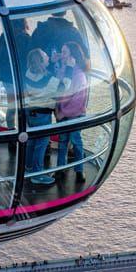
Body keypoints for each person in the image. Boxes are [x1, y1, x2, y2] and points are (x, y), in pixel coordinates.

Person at [53, 41, 89, 180]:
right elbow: (58, 91)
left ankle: (79, 170)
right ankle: (60, 168)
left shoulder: (79, 75)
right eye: (62, 52)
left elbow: (78, 101)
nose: (61, 55)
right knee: (63, 141)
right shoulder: (63, 70)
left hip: (74, 114)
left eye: (64, 53)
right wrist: (58, 109)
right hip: (63, 113)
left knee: (75, 140)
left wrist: (62, 112)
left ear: (72, 56)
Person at [22, 48, 56, 186]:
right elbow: (64, 87)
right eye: (45, 55)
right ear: (40, 60)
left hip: (30, 112)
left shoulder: (28, 73)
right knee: (41, 144)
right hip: (43, 114)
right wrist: (69, 69)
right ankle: (37, 174)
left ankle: (28, 169)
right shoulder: (49, 79)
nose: (48, 56)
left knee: (32, 142)